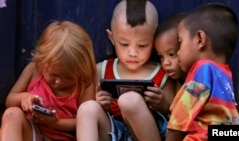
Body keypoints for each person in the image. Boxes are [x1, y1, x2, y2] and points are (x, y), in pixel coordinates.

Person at [76, 0, 175, 141]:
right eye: (124, 44)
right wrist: (101, 103)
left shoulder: (162, 72)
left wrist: (162, 104)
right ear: (112, 38)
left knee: (129, 100)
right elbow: (85, 107)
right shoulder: (102, 70)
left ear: (154, 40)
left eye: (142, 45)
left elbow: (174, 113)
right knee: (87, 108)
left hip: (147, 133)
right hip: (113, 132)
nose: (133, 53)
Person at [0, 21, 96, 141]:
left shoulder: (84, 83)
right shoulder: (34, 69)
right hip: (33, 133)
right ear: (42, 61)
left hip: (64, 137)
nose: (59, 82)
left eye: (68, 78)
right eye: (53, 75)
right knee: (11, 113)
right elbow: (9, 101)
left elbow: (88, 122)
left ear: (82, 70)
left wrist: (56, 123)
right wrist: (24, 97)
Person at [165, 3, 239, 141]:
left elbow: (181, 114)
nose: (178, 52)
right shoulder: (225, 75)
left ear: (200, 39)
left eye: (180, 42)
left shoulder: (203, 70)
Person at [154, 13, 186, 95]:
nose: (165, 63)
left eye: (172, 54)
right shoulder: (169, 82)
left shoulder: (200, 78)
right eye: (161, 56)